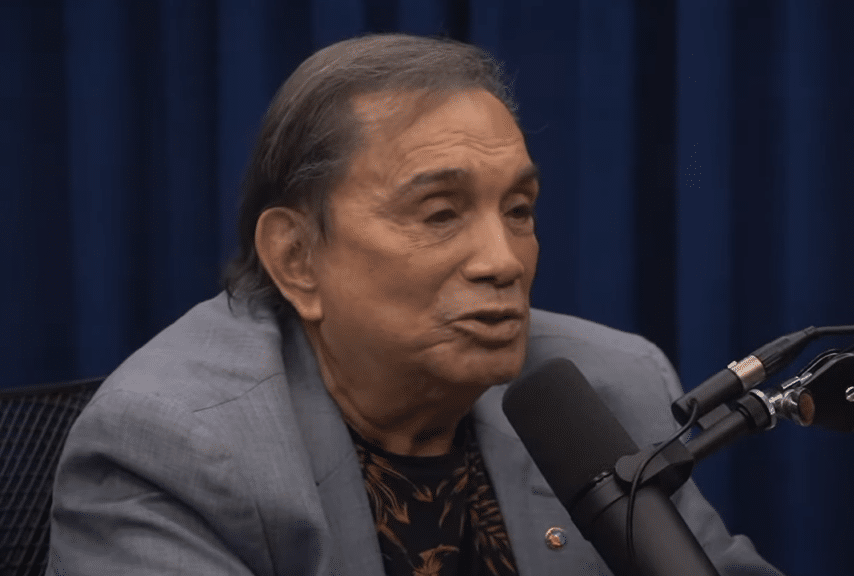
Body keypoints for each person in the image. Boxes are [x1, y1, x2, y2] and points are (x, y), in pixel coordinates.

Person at [47, 33, 781, 575]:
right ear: (297, 259)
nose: (503, 261)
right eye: (440, 214)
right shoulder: (174, 445)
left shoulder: (605, 385)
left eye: (519, 210)